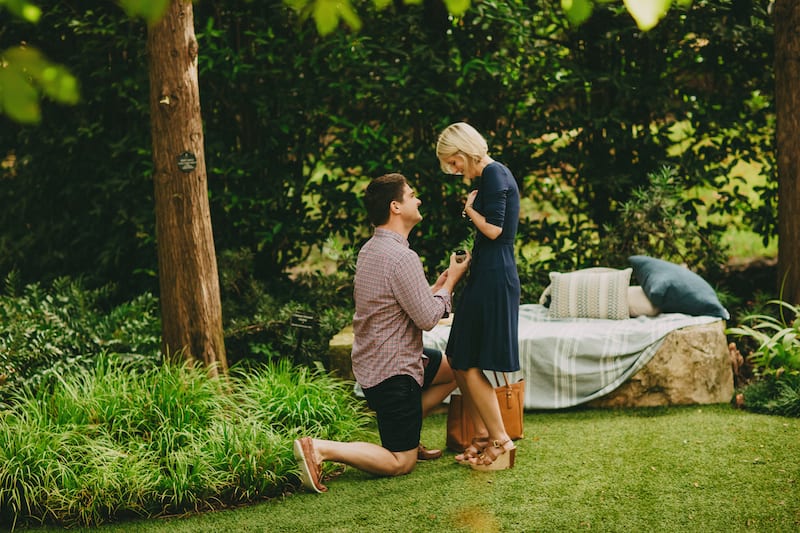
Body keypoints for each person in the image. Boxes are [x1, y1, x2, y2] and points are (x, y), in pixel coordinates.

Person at [294, 172, 471, 493]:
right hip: (393, 374)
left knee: (456, 368)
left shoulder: (371, 250)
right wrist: (453, 281)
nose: (418, 200)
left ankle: (408, 430)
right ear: (396, 207)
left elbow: (400, 303)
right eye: (412, 195)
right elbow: (428, 318)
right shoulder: (402, 257)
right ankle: (321, 448)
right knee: (400, 462)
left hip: (376, 363)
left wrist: (439, 285)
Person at [435, 122, 521, 471]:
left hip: (495, 278)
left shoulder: (494, 173)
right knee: (457, 357)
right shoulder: (490, 176)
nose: (454, 170)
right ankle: (484, 435)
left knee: (469, 362)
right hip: (484, 273)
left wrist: (469, 210)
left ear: (464, 151)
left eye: (453, 161)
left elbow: (497, 230)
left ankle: (500, 440)